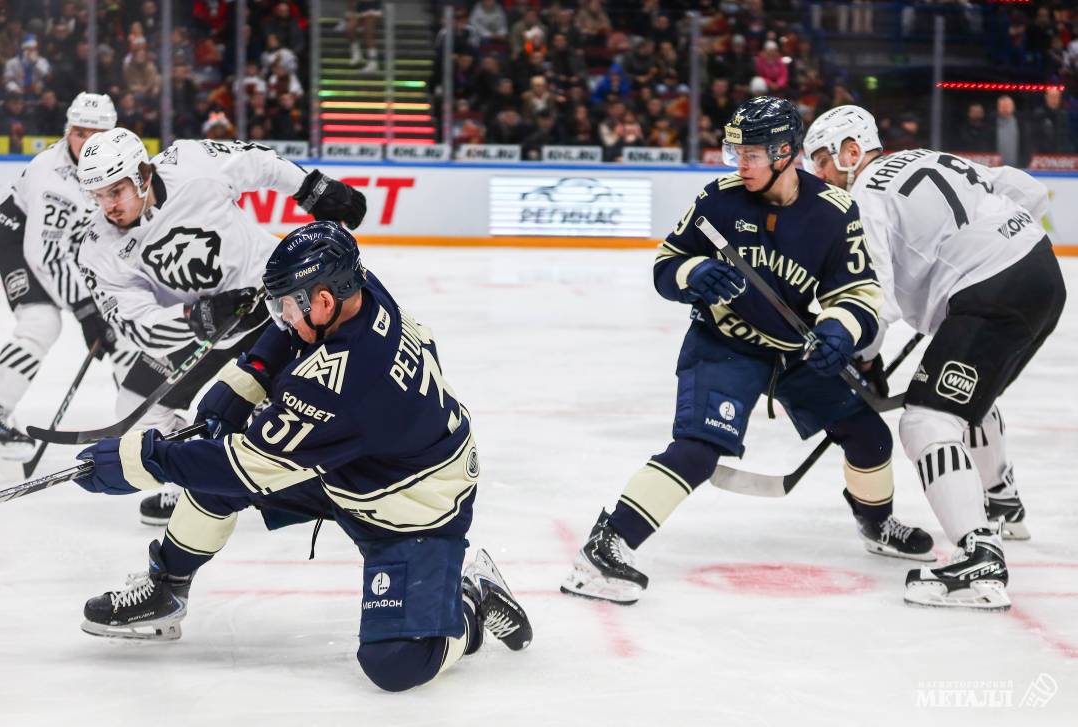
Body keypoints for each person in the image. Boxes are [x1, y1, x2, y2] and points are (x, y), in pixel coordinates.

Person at [70, 221, 532, 692]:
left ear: (324, 300)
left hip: (418, 503)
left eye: (286, 304)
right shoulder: (357, 286)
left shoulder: (339, 382)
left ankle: (471, 601)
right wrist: (244, 381)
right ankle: (166, 591)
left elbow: (243, 467)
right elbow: (285, 336)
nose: (282, 315)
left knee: (395, 664)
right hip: (362, 459)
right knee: (212, 479)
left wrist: (140, 460)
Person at [561, 97, 934, 606]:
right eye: (735, 152)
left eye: (752, 154)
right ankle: (605, 546)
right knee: (698, 448)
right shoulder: (717, 200)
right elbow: (665, 266)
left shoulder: (836, 212)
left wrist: (839, 332)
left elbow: (858, 292)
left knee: (869, 436)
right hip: (724, 344)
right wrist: (694, 274)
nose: (740, 164)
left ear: (786, 153)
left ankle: (877, 524)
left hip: (795, 350)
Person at [804, 105, 1067, 610]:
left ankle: (977, 556)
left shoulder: (864, 194)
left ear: (851, 151)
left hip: (989, 292)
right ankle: (1003, 503)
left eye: (822, 161)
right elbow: (1028, 191)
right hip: (1041, 272)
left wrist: (859, 355)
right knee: (968, 398)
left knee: (926, 420)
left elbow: (873, 299)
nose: (818, 175)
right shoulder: (929, 155)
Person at [75, 128, 367, 526]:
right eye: (98, 196)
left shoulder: (190, 163)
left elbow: (257, 162)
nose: (107, 205)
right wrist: (195, 319)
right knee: (134, 408)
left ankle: (347, 462)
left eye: (116, 191)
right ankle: (194, 475)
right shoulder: (97, 246)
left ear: (142, 175)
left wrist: (311, 189)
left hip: (276, 301)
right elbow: (136, 325)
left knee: (322, 389)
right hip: (203, 329)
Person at [0, 93, 121, 461]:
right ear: (68, 131)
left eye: (97, 133)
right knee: (41, 322)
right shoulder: (52, 178)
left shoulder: (117, 162)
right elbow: (44, 255)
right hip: (19, 243)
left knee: (121, 320)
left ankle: (141, 413)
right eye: (80, 133)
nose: (87, 142)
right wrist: (86, 311)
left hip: (68, 247)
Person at [346, 0, 382, 72]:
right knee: (349, 29)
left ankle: (373, 63)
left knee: (368, 34)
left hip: (372, 7)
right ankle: (357, 55)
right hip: (360, 7)